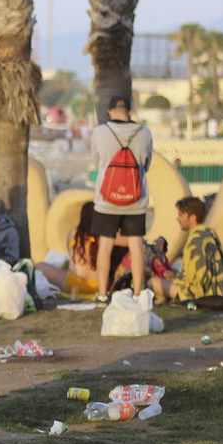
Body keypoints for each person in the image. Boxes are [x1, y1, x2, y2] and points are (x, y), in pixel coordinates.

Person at [90, 95, 153, 303]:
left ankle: (102, 293)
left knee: (105, 245)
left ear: (109, 111)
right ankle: (137, 293)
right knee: (136, 245)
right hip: (136, 200)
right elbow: (146, 163)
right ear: (130, 111)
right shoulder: (144, 133)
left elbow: (97, 161)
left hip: (107, 200)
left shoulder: (100, 132)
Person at [152, 197, 223, 304]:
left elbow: (196, 280)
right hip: (220, 292)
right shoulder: (209, 232)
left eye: (181, 215)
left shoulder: (196, 240)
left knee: (152, 282)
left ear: (193, 217)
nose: (177, 219)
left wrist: (174, 278)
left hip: (199, 296)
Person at [36, 201, 114, 298]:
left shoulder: (74, 233)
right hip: (100, 285)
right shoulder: (105, 236)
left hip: (74, 284)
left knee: (40, 266)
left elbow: (72, 262)